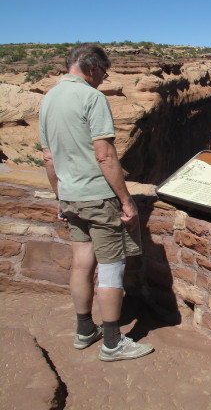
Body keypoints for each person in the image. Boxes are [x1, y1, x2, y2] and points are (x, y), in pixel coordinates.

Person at [39, 43, 153, 362]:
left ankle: (84, 329)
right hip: (98, 196)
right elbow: (104, 156)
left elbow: (49, 159)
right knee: (111, 267)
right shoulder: (91, 98)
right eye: (103, 73)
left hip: (72, 196)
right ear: (91, 69)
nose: (103, 80)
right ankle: (113, 342)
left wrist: (60, 197)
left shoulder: (48, 99)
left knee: (81, 264)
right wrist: (126, 200)